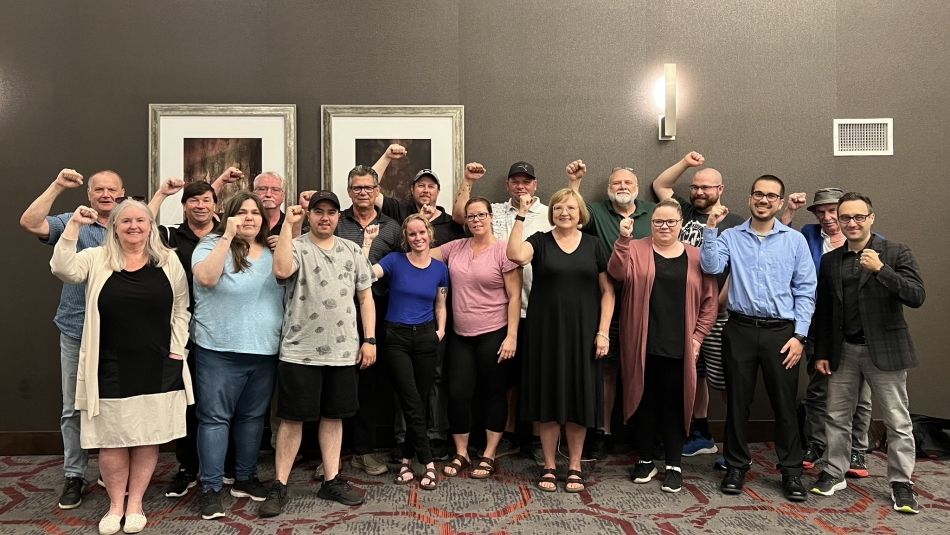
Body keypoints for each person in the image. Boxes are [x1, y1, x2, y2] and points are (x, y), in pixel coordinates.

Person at [50, 200, 191, 535]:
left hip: (158, 363)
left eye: (140, 220)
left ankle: (136, 503)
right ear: (114, 226)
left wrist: (177, 348)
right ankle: (115, 505)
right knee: (111, 439)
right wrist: (73, 227)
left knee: (147, 436)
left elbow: (182, 306)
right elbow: (62, 268)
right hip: (108, 364)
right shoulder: (96, 258)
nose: (134, 226)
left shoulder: (168, 260)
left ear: (150, 225)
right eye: (125, 220)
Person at [700, 175, 816, 502]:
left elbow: (806, 291)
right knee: (738, 402)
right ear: (750, 198)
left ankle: (792, 472)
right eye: (758, 194)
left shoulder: (794, 241)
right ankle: (737, 466)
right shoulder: (730, 235)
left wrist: (800, 336)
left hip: (782, 333)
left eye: (771, 196)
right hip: (739, 329)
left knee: (785, 405)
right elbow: (710, 266)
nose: (763, 200)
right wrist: (710, 228)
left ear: (780, 203)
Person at [808, 193, 925, 514]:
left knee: (897, 421)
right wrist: (821, 351)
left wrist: (881, 269)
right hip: (843, 350)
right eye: (845, 218)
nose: (851, 223)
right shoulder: (832, 260)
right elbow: (825, 310)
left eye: (859, 217)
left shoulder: (895, 252)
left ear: (871, 218)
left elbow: (916, 296)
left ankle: (902, 482)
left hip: (884, 351)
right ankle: (834, 471)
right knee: (836, 416)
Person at [261, 193, 376, 516]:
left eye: (331, 212)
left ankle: (331, 479)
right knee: (292, 419)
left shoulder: (352, 251)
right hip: (300, 350)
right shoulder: (296, 246)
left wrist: (369, 339)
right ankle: (280, 484)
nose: (325, 217)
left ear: (339, 217)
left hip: (343, 351)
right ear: (309, 215)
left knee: (333, 416)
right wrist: (288, 225)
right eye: (319, 212)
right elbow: (282, 271)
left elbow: (365, 298)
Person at [20, 168, 125, 509]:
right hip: (76, 327)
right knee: (72, 408)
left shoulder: (131, 223)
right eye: (99, 190)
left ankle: (111, 472)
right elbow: (31, 223)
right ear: (90, 194)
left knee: (114, 405)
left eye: (112, 189)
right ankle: (74, 474)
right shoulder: (74, 220)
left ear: (121, 193)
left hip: (120, 333)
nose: (105, 194)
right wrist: (56, 186)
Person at [507, 188, 615, 493]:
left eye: (570, 208)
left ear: (579, 212)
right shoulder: (539, 241)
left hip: (584, 334)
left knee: (579, 398)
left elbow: (608, 292)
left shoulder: (594, 245)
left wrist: (603, 331)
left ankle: (576, 466)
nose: (563, 213)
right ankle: (550, 466)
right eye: (558, 208)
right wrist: (521, 214)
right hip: (545, 334)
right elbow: (514, 254)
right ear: (551, 212)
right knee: (549, 399)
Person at [607, 199, 717, 493]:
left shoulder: (696, 257)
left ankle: (673, 464)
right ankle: (645, 459)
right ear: (651, 224)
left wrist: (697, 338)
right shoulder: (636, 248)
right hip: (641, 341)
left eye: (670, 222)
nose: (664, 227)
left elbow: (709, 302)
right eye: (658, 222)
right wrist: (623, 239)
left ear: (681, 224)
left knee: (674, 404)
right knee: (643, 402)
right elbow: (617, 273)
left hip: (680, 345)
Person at [191, 192, 284, 520]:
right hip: (219, 350)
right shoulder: (209, 245)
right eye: (241, 213)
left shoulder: (273, 251)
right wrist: (227, 235)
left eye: (255, 213)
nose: (249, 218)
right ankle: (211, 487)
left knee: (252, 419)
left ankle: (244, 478)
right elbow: (206, 278)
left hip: (264, 350)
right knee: (215, 419)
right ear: (229, 215)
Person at [454, 160, 553, 462]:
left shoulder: (549, 213)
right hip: (505, 310)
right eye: (515, 181)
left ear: (535, 184)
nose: (521, 186)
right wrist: (468, 181)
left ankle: (537, 441)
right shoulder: (493, 211)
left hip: (538, 306)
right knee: (503, 382)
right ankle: (507, 437)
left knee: (536, 377)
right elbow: (461, 215)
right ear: (508, 185)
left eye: (527, 181)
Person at [652, 151, 744, 462]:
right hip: (681, 311)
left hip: (717, 312)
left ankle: (733, 445)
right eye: (695, 186)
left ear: (721, 190)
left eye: (706, 187)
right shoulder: (683, 211)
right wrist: (687, 165)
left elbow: (739, 270)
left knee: (724, 378)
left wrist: (718, 303)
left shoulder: (733, 222)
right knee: (696, 373)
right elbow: (660, 184)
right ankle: (700, 432)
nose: (699, 192)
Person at [565, 160, 656, 459]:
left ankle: (639, 431)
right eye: (616, 183)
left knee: (643, 368)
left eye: (628, 183)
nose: (622, 187)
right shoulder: (597, 212)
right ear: (608, 189)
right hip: (604, 303)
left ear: (637, 189)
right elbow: (570, 213)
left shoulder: (652, 213)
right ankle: (604, 432)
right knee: (607, 371)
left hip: (645, 304)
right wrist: (574, 183)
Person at [782, 188, 874, 476]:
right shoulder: (810, 234)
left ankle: (857, 449)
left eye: (832, 211)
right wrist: (790, 211)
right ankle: (817, 443)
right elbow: (777, 240)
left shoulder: (868, 242)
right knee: (818, 388)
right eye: (820, 212)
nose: (826, 217)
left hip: (860, 328)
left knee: (862, 394)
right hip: (820, 324)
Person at [431, 196, 522, 479]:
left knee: (494, 394)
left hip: (494, 333)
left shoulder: (504, 251)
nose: (477, 220)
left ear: (491, 217)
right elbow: (420, 252)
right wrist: (423, 222)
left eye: (482, 215)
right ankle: (462, 452)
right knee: (458, 393)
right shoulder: (455, 247)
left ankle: (489, 454)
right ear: (466, 221)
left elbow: (515, 297)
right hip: (461, 334)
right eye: (471, 216)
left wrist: (512, 337)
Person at [363, 214, 448, 490]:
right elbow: (364, 276)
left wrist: (441, 331)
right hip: (396, 336)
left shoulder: (439, 268)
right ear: (406, 237)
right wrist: (366, 244)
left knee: (420, 401)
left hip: (426, 336)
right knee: (410, 399)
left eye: (421, 232)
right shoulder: (394, 261)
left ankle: (406, 462)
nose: (417, 237)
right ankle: (429, 463)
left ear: (429, 233)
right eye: (412, 234)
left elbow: (441, 304)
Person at [147, 179, 219, 497]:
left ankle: (222, 466)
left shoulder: (227, 236)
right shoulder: (170, 237)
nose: (200, 205)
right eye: (194, 200)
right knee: (188, 403)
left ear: (215, 205)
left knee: (215, 402)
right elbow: (141, 224)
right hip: (179, 330)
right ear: (184, 205)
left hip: (219, 330)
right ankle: (187, 467)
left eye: (206, 200)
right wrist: (162, 193)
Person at [330, 165, 401, 478]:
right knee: (336, 383)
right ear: (349, 192)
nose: (363, 192)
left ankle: (364, 451)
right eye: (357, 188)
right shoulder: (335, 222)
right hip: (338, 312)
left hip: (380, 310)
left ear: (377, 191)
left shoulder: (392, 227)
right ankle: (331, 454)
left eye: (368, 187)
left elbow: (403, 264)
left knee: (371, 385)